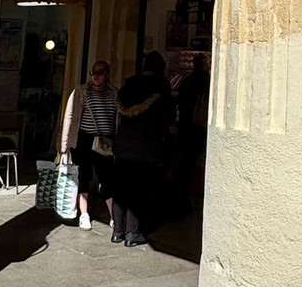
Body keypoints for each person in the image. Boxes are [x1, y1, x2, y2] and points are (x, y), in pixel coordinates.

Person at [111, 51, 174, 247]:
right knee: (138, 190)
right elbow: (168, 117)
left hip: (122, 145)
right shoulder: (160, 86)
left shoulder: (129, 85)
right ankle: (133, 232)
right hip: (145, 147)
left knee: (120, 189)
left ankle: (117, 231)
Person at [58, 60, 117, 230]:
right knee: (83, 176)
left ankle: (114, 217)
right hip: (84, 139)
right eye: (93, 72)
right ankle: (84, 214)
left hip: (105, 141)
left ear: (107, 75)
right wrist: (64, 145)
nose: (95, 76)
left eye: (100, 73)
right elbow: (69, 117)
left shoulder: (114, 94)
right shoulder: (81, 92)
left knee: (107, 178)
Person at [172, 53, 210, 215]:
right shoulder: (207, 80)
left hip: (185, 128)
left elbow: (180, 102)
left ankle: (180, 200)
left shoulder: (187, 81)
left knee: (185, 165)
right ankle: (188, 201)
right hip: (199, 130)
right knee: (194, 165)